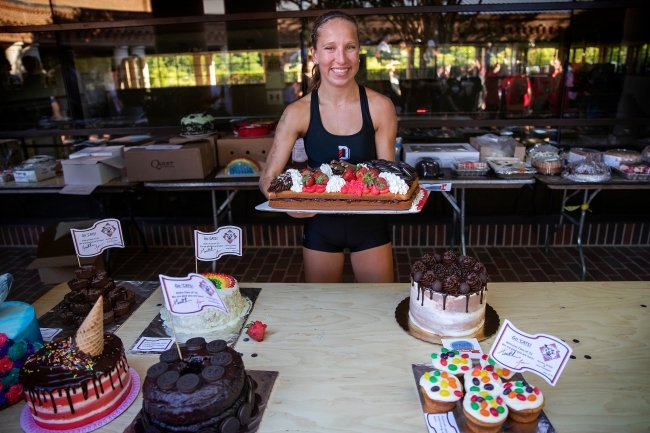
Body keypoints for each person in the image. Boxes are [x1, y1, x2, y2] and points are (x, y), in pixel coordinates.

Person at [259, 10, 397, 284]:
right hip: (320, 227)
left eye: (350, 47)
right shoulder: (297, 112)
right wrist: (285, 203)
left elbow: (390, 179)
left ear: (359, 52)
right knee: (321, 312)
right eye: (330, 48)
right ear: (314, 54)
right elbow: (267, 178)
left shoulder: (381, 107)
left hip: (370, 226)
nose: (341, 59)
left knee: (378, 311)